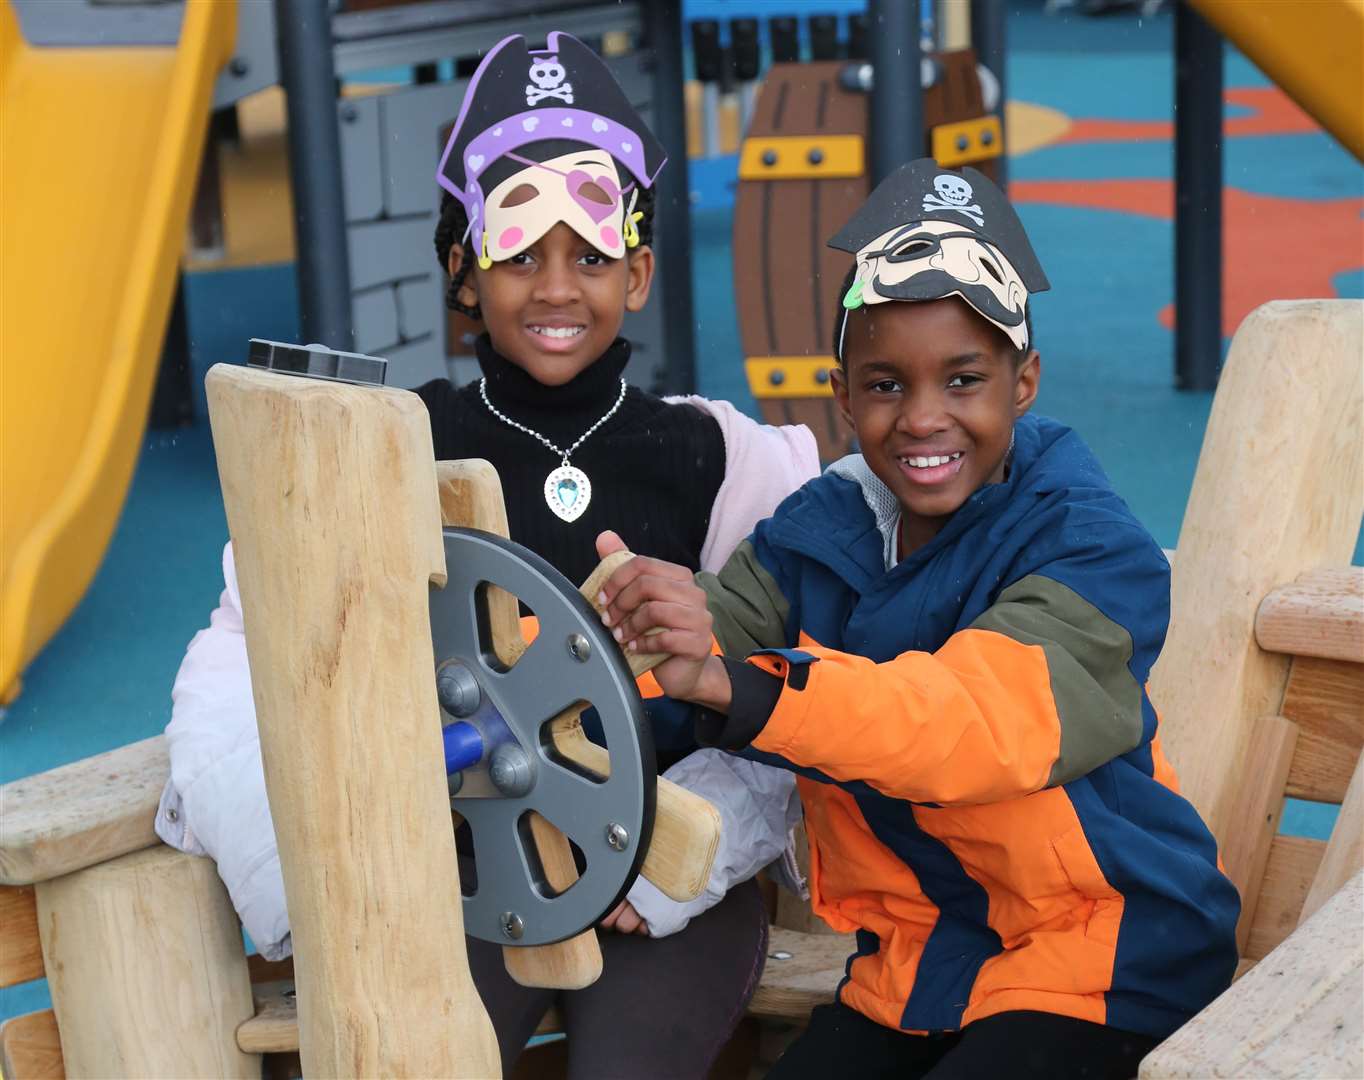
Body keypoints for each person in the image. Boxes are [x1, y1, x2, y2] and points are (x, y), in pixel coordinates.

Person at [155, 32, 818, 1079]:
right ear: (463, 268)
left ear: (638, 272)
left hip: (658, 888)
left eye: (590, 255)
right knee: (418, 1060)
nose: (556, 288)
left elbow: (793, 677)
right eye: (518, 253)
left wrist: (676, 870)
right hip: (461, 876)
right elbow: (247, 656)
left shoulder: (720, 458)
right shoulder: (387, 446)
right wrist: (309, 882)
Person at [595, 159, 1242, 1080]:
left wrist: (734, 684)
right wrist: (617, 637)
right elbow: (693, 646)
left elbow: (965, 725)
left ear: (1024, 383)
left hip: (1109, 956)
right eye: (888, 385)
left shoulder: (1094, 551)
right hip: (919, 967)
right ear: (844, 394)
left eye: (964, 379)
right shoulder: (816, 534)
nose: (924, 419)